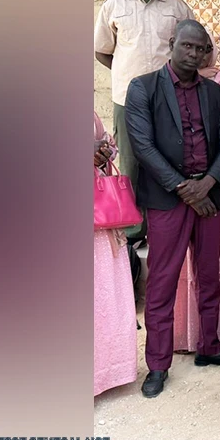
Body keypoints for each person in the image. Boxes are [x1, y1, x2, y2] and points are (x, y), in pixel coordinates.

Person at [125, 20, 220, 398]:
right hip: (168, 199)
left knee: (209, 276)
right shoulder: (142, 88)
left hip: (208, 195)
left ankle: (209, 347)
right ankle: (158, 365)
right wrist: (184, 189)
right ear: (172, 44)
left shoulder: (213, 92)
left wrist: (207, 183)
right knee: (162, 282)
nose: (195, 54)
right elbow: (143, 147)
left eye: (202, 49)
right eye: (188, 47)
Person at [94, 0, 196, 245]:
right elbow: (102, 50)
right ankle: (134, 230)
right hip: (127, 98)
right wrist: (128, 76)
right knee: (131, 162)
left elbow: (194, 45)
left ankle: (165, 225)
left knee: (169, 158)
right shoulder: (114, 6)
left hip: (170, 99)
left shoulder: (176, 7)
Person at [93, 112, 137, 396]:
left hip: (99, 215)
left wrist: (104, 150)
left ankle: (108, 371)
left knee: (105, 293)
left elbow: (110, 143)